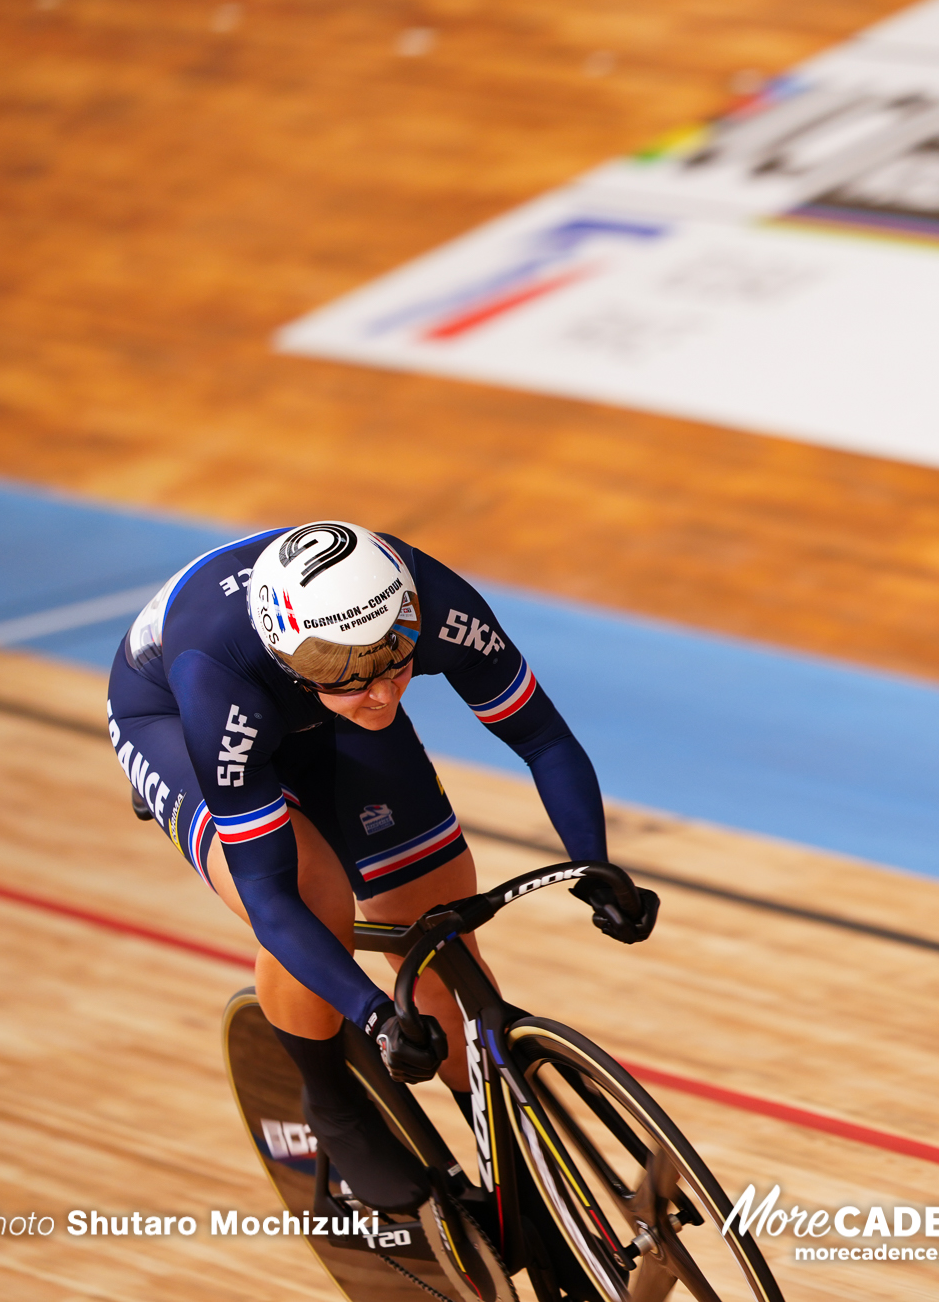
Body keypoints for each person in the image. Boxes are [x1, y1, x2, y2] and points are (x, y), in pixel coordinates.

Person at [107, 520, 654, 1214]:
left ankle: (521, 1182)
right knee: (316, 898)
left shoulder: (431, 604)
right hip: (175, 715)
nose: (386, 691)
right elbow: (273, 900)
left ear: (406, 616)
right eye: (351, 672)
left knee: (438, 938)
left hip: (313, 711)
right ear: (294, 657)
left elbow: (542, 736)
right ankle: (332, 1106)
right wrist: (372, 1016)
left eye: (396, 658)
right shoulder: (218, 677)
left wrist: (593, 863)